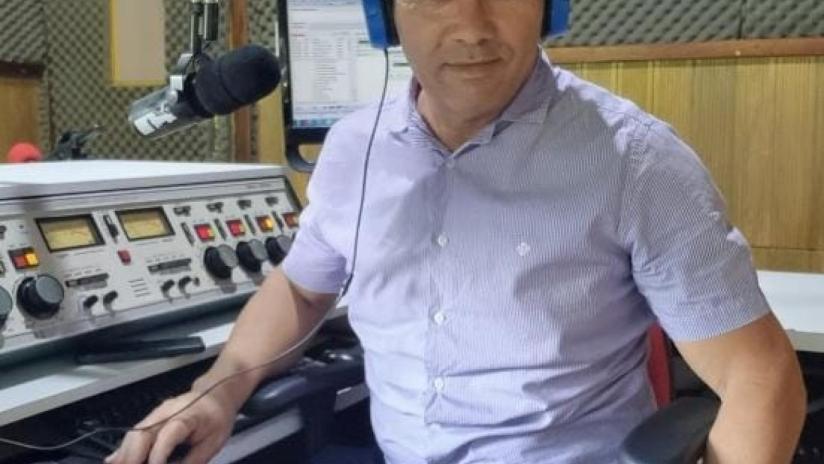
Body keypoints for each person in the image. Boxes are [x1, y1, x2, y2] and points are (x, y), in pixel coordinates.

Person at [108, 1, 807, 463]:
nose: (472, 27)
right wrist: (220, 389)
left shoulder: (635, 159)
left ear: (548, 7)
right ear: (384, 16)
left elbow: (760, 379)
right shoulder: (353, 149)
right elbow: (302, 289)